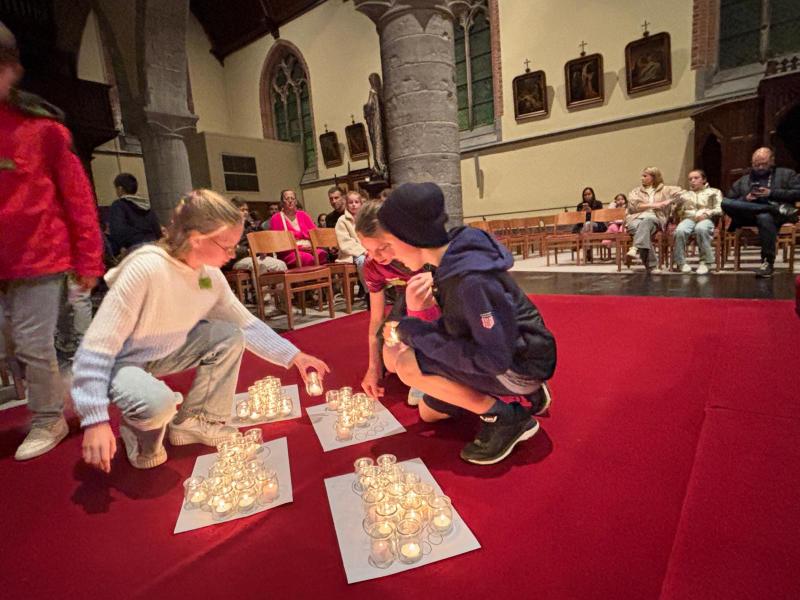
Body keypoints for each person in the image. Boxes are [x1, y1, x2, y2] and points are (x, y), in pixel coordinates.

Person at [73, 189, 329, 472]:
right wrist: (95, 419)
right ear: (196, 239)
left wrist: (294, 356)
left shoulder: (209, 276)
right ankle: (136, 425)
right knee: (157, 410)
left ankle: (195, 420)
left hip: (164, 350)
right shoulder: (147, 267)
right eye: (227, 246)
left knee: (228, 335)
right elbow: (95, 348)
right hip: (122, 361)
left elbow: (244, 323)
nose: (233, 254)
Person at [374, 183, 557, 465]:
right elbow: (463, 328)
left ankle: (507, 419)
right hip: (512, 350)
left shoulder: (470, 281)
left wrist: (416, 333)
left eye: (390, 241)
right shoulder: (451, 258)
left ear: (409, 237)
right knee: (428, 410)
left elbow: (492, 358)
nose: (390, 251)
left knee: (408, 364)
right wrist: (417, 331)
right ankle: (523, 395)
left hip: (519, 363)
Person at [0, 22, 105, 461]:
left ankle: (48, 418)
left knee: (31, 343)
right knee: (11, 344)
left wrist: (89, 261)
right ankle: (62, 396)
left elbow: (78, 199)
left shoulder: (41, 130)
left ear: (10, 71)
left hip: (37, 257)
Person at [355, 200, 436, 407]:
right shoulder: (373, 264)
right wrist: (373, 367)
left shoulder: (423, 252)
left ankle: (430, 368)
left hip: (439, 298)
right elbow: (376, 319)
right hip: (406, 301)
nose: (375, 257)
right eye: (368, 250)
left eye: (381, 248)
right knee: (389, 353)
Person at [721, 147, 800, 278]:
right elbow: (731, 200)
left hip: (775, 217)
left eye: (764, 163)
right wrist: (745, 199)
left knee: (764, 217)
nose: (760, 167)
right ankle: (771, 209)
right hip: (750, 214)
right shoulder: (744, 180)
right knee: (725, 202)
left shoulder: (787, 174)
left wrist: (772, 193)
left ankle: (767, 262)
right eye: (756, 164)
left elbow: (798, 193)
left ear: (772, 161)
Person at [625, 167, 682, 273]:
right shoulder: (635, 191)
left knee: (647, 221)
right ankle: (650, 265)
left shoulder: (666, 189)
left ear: (653, 177)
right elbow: (634, 206)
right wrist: (656, 204)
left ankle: (635, 248)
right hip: (635, 218)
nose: (642, 178)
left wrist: (669, 201)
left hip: (656, 217)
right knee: (641, 230)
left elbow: (682, 194)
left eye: (645, 176)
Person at [673, 170, 723, 275]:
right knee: (680, 231)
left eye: (696, 178)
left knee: (701, 228)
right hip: (689, 218)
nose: (693, 181)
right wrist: (677, 205)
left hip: (706, 218)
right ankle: (680, 262)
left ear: (704, 179)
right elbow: (678, 211)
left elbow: (719, 209)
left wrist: (707, 214)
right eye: (690, 179)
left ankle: (705, 262)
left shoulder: (714, 192)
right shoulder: (685, 195)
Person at [268, 189, 328, 267]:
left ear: (296, 201)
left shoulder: (303, 215)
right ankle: (311, 278)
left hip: (309, 248)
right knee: (307, 258)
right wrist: (300, 248)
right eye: (287, 199)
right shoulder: (276, 218)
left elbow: (315, 233)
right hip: (289, 252)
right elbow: (279, 243)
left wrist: (312, 246)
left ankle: (320, 278)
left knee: (321, 254)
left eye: (292, 198)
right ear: (282, 202)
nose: (290, 201)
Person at [107, 173, 162, 256]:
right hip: (154, 249)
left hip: (135, 251)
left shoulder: (118, 205)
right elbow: (157, 230)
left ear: (120, 189)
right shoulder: (146, 205)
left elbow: (117, 231)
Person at [335, 191, 369, 289]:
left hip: (368, 250)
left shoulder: (365, 218)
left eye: (356, 202)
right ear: (346, 204)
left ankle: (386, 290)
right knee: (363, 261)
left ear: (361, 204)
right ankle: (369, 292)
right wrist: (363, 251)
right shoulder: (342, 220)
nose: (354, 205)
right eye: (350, 202)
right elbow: (346, 243)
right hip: (351, 254)